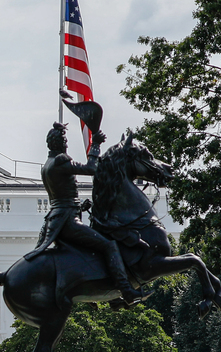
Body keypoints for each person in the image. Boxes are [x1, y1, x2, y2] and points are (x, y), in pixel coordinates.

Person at [25, 122, 144, 303]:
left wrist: (79, 207)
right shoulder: (61, 160)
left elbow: (61, 197)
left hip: (57, 218)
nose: (66, 143)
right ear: (59, 143)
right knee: (109, 245)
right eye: (65, 140)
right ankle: (125, 291)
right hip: (68, 222)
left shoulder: (46, 165)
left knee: (93, 249)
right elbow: (91, 169)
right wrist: (95, 144)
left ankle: (108, 289)